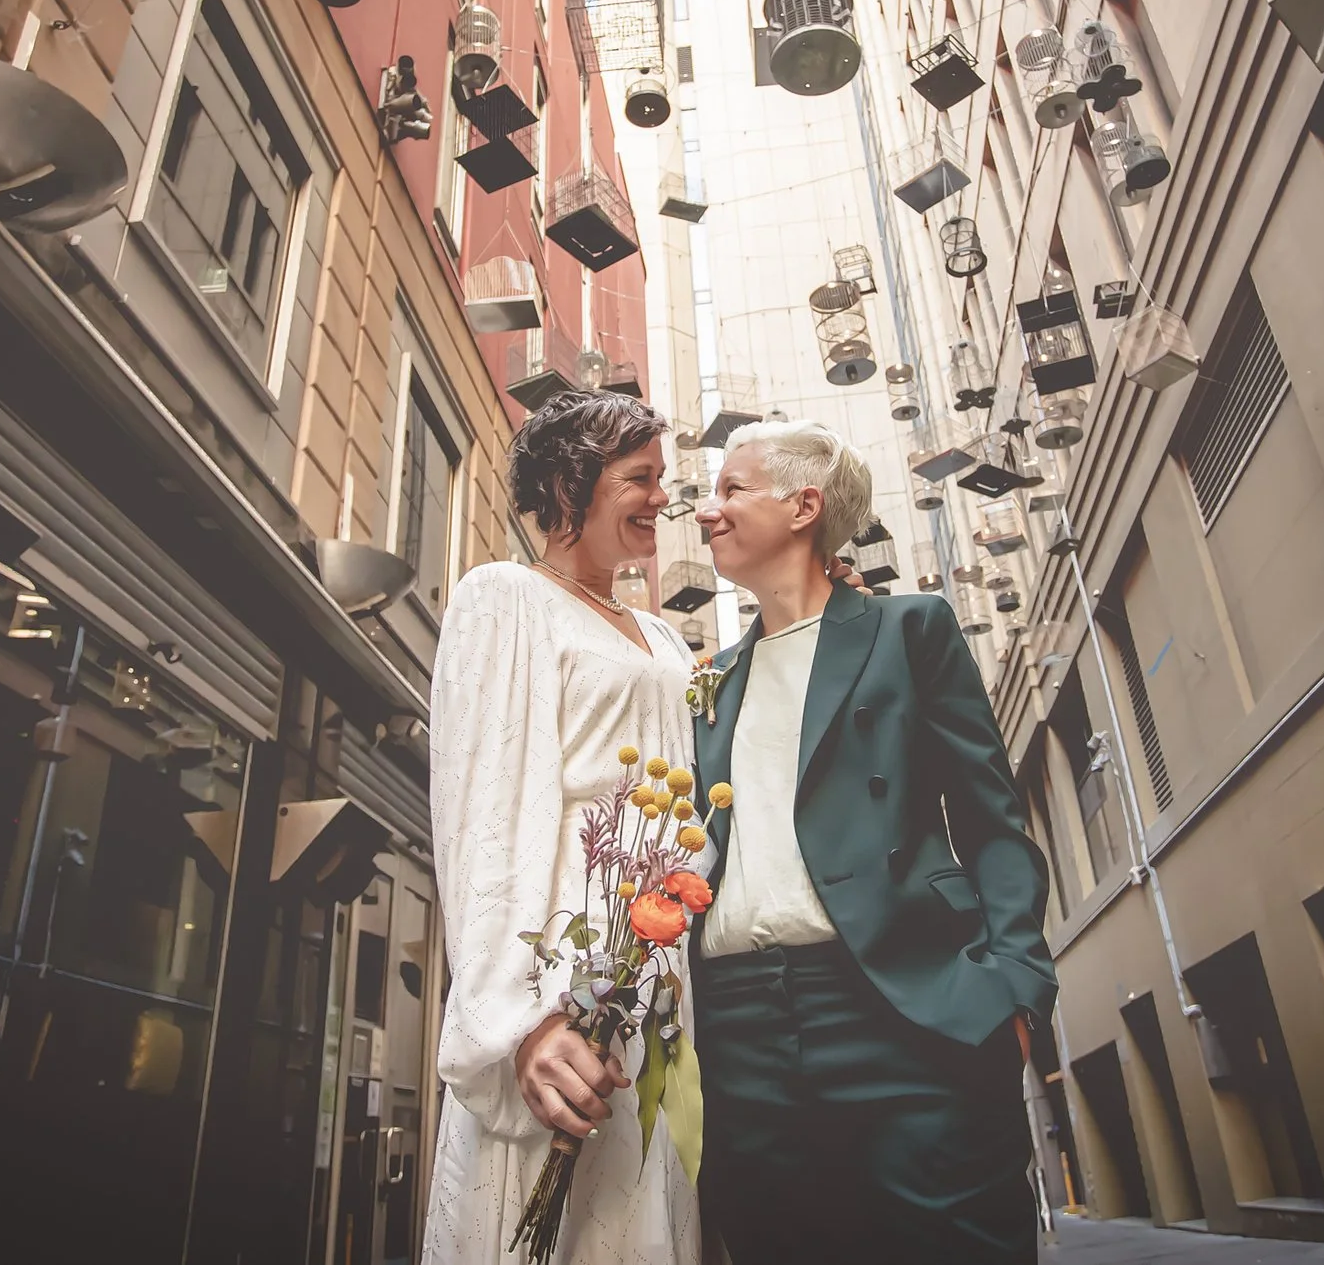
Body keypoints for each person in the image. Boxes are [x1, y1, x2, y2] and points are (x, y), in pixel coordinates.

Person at [690, 420, 1055, 1264]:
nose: (707, 512)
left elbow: (992, 820)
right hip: (742, 1031)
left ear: (803, 506)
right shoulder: (710, 682)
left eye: (731, 491)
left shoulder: (910, 630)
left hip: (903, 1004)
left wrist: (1018, 988)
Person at [424, 392, 702, 1265]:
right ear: (566, 482)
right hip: (556, 951)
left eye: (664, 479)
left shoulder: (661, 636)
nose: (663, 498)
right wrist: (520, 1020)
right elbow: (481, 813)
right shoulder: (502, 597)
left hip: (657, 968)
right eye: (640, 478)